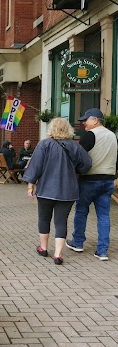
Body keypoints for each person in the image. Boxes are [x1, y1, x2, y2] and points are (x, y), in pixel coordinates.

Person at [23, 118, 92, 265]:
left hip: (45, 190)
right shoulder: (75, 146)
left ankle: (43, 248)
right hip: (67, 191)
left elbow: (35, 167)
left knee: (44, 219)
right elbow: (87, 164)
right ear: (68, 129)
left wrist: (30, 186)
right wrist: (75, 171)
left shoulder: (44, 145)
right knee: (61, 222)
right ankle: (58, 254)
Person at [66, 108, 118, 261]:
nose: (84, 124)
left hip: (89, 180)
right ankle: (102, 251)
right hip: (108, 180)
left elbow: (78, 156)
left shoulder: (90, 135)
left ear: (95, 120)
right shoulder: (113, 136)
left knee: (81, 211)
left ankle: (78, 242)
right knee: (104, 215)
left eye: (86, 120)